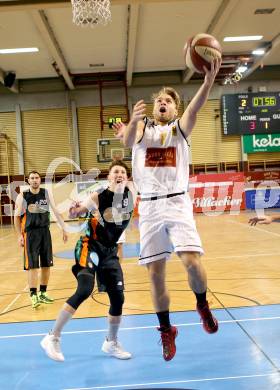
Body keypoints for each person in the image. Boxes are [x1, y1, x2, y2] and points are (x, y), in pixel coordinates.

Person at [120, 58, 221, 361]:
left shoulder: (180, 129)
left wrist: (207, 82)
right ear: (154, 108)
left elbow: (197, 107)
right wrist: (134, 119)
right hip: (149, 208)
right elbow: (126, 140)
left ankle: (202, 304)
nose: (163, 102)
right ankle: (167, 330)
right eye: (159, 100)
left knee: (191, 261)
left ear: (175, 110)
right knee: (155, 275)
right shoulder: (142, 129)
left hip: (177, 203)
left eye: (168, 100)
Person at [40, 160, 136, 362]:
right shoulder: (98, 196)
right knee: (84, 289)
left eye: (122, 172)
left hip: (110, 252)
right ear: (109, 177)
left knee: (118, 298)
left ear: (127, 178)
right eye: (115, 172)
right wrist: (75, 210)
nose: (119, 174)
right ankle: (52, 337)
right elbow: (79, 211)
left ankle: (111, 342)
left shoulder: (131, 195)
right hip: (90, 246)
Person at [14, 171, 68, 308]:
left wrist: (64, 228)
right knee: (32, 266)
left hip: (45, 232)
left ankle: (43, 293)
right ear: (28, 180)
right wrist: (20, 235)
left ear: (40, 179)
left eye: (36, 178)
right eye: (32, 178)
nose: (34, 180)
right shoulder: (23, 196)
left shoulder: (46, 193)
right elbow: (16, 217)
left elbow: (55, 211)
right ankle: (33, 295)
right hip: (31, 234)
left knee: (46, 264)